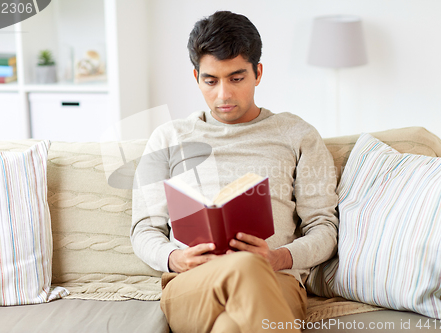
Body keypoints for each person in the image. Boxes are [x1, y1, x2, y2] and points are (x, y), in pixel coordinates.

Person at [131, 10, 339, 333]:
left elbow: (324, 228)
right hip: (192, 285)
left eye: (236, 78)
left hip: (274, 280)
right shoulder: (168, 138)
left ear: (258, 72)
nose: (223, 95)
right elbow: (143, 230)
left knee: (229, 327)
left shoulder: (297, 135)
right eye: (210, 81)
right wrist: (175, 259)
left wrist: (279, 257)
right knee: (242, 269)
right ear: (196, 77)